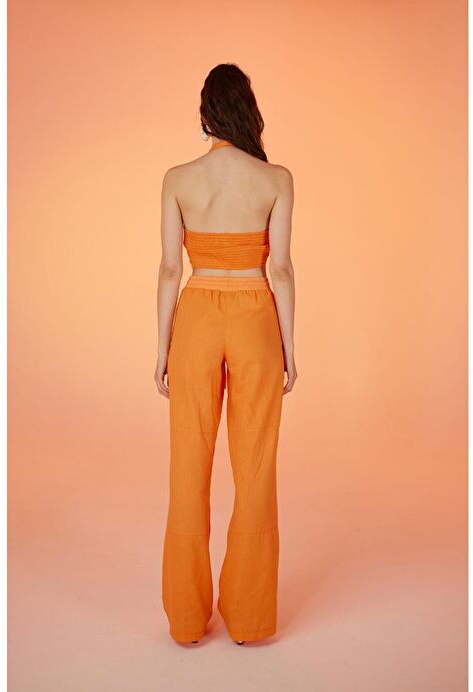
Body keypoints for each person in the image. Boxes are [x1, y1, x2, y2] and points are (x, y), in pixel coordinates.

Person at [155, 63, 297, 646]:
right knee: (256, 465)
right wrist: (290, 344)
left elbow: (170, 269)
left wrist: (161, 346)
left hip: (196, 316)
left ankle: (188, 619)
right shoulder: (276, 179)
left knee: (188, 464)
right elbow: (281, 268)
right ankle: (248, 616)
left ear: (206, 114)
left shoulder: (178, 179)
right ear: (248, 111)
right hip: (256, 315)